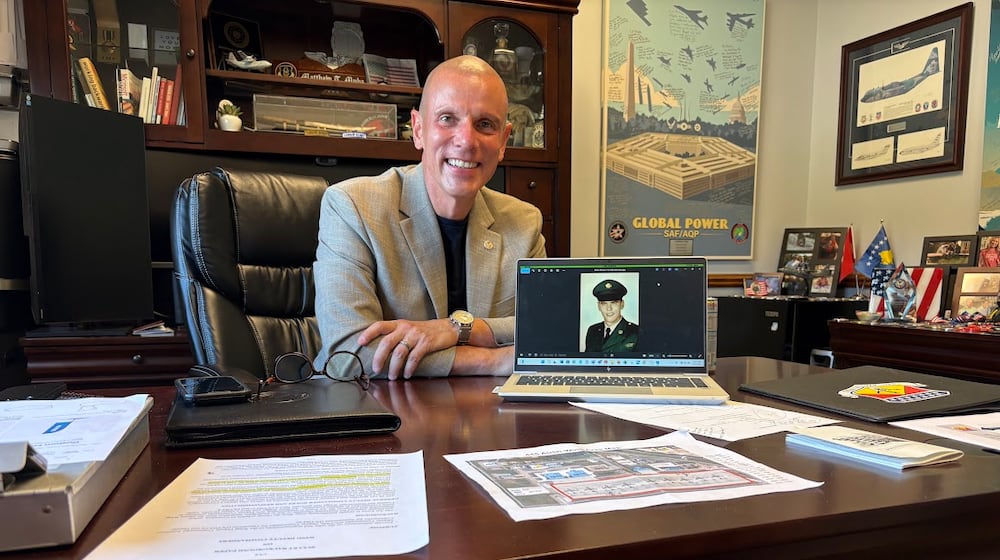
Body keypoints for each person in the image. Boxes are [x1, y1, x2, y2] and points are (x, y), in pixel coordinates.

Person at [313, 55, 546, 381]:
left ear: (503, 141)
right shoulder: (352, 206)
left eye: (484, 124)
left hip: (485, 408)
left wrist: (459, 329)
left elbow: (545, 330)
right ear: (419, 130)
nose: (466, 140)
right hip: (373, 406)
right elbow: (348, 355)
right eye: (447, 118)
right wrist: (491, 361)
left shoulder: (524, 222)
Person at [584, 279, 639, 353]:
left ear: (622, 304)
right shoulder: (593, 331)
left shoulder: (635, 332)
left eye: (613, 303)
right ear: (599, 306)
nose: (609, 308)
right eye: (604, 303)